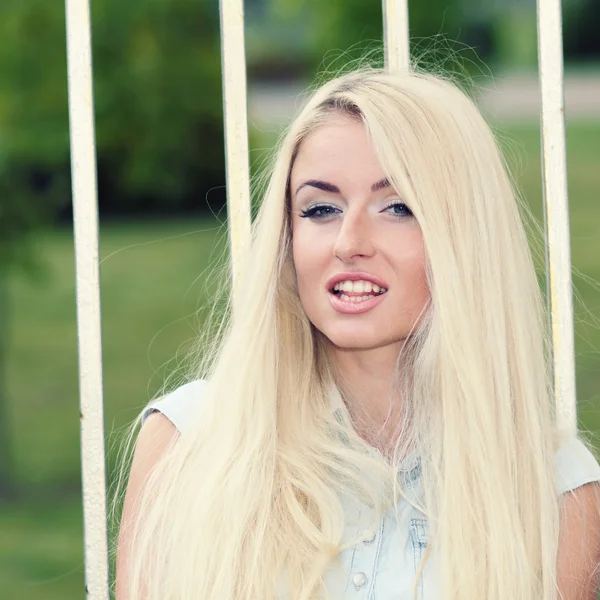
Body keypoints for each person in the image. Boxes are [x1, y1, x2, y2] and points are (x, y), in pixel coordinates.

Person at [114, 66, 600, 600]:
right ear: (287, 237)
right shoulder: (187, 440)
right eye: (321, 209)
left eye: (398, 207)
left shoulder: (555, 488)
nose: (349, 242)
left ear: (466, 236)